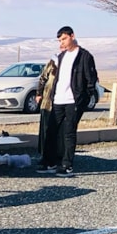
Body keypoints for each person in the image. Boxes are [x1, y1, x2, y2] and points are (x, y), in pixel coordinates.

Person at [42, 26, 98, 177]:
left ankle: (67, 165)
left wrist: (84, 99)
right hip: (58, 99)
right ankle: (50, 162)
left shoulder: (84, 56)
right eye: (60, 40)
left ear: (72, 36)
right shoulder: (61, 56)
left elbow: (91, 80)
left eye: (64, 39)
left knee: (69, 132)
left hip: (73, 101)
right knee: (51, 130)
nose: (62, 42)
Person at [35, 48, 62, 173]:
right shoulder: (53, 61)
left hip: (62, 102)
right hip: (47, 103)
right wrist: (39, 93)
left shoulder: (72, 63)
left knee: (60, 132)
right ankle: (44, 156)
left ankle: (59, 157)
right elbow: (43, 78)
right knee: (46, 130)